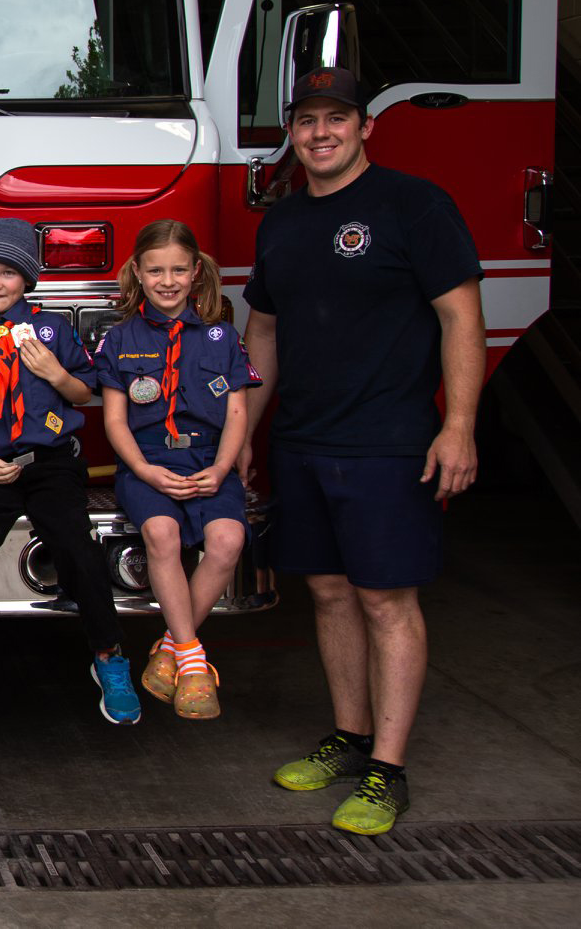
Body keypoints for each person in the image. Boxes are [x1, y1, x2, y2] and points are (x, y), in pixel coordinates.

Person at [242, 66, 483, 835]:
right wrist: (244, 433)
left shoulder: (415, 205)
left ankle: (388, 769)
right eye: (307, 119)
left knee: (387, 598)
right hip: (303, 439)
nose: (320, 132)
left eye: (336, 118)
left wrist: (460, 424)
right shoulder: (280, 223)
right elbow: (266, 332)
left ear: (365, 126)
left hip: (387, 441)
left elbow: (460, 317)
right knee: (330, 592)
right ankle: (348, 740)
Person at [0, 217, 142, 726]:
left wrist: (53, 370)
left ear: (26, 279)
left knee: (75, 543)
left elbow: (84, 391)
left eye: (7, 272)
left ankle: (109, 655)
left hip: (52, 462)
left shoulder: (52, 328)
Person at [95, 220, 258, 721]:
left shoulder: (222, 336)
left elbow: (236, 413)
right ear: (138, 275)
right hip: (148, 463)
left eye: (179, 270)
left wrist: (223, 467)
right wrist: (143, 470)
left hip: (210, 461)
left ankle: (171, 647)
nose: (168, 280)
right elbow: (114, 419)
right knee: (162, 534)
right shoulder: (119, 338)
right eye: (156, 270)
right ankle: (193, 664)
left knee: (229, 541)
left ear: (196, 274)